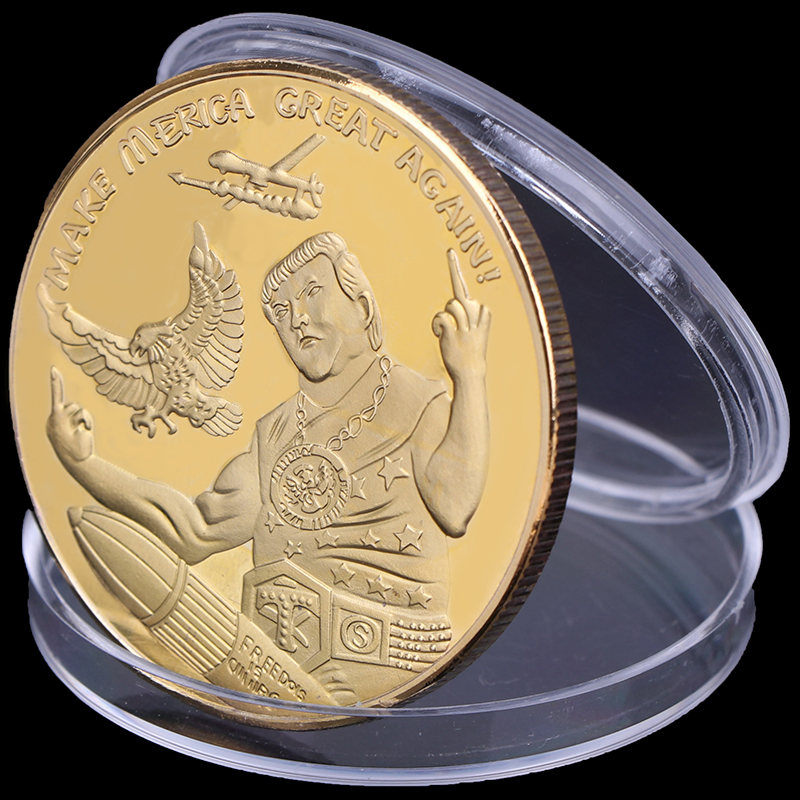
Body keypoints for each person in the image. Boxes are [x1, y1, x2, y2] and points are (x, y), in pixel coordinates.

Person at [47, 232, 491, 700]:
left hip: (393, 668)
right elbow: (196, 531)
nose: (297, 319)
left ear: (362, 306)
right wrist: (84, 464)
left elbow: (455, 507)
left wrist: (470, 374)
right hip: (272, 675)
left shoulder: (417, 401)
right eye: (281, 311)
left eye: (312, 293)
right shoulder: (274, 432)